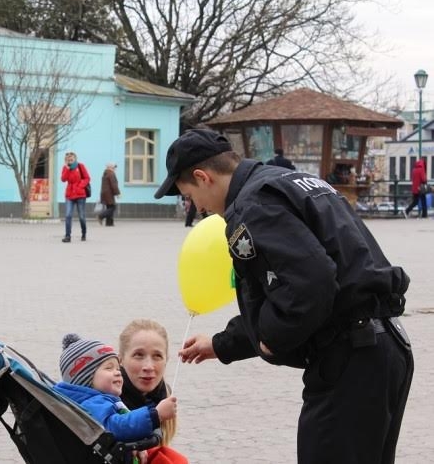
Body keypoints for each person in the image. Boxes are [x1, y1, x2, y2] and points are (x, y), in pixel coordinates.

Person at [155, 128, 413, 463]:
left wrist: (272, 338)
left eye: (189, 196)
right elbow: (286, 289)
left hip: (351, 358)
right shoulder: (287, 182)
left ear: (203, 178)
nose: (197, 207)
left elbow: (313, 283)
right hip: (383, 347)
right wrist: (223, 344)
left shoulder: (253, 206)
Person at [53, 334, 178, 464]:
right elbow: (115, 427)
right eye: (109, 368)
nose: (118, 372)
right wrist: (155, 415)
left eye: (118, 368)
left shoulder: (100, 399)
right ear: (86, 379)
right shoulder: (93, 404)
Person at [119, 320, 188, 463]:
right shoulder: (108, 402)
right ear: (120, 360)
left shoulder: (164, 397)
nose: (149, 366)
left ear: (166, 360)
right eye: (138, 355)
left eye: (157, 356)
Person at [60, 151, 90, 242]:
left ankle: (84, 233)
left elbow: (87, 178)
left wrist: (80, 186)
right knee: (68, 215)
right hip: (69, 195)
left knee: (81, 216)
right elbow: (63, 179)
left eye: (71, 159)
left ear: (75, 159)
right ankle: (67, 236)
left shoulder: (81, 166)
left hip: (80, 194)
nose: (70, 161)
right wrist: (67, 169)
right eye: (68, 160)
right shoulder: (65, 168)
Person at [97, 162, 120, 227]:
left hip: (105, 193)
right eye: (113, 167)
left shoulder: (105, 173)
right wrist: (117, 193)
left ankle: (109, 223)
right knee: (113, 207)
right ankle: (100, 216)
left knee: (109, 207)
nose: (114, 168)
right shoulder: (111, 174)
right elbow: (114, 185)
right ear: (109, 167)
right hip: (109, 193)